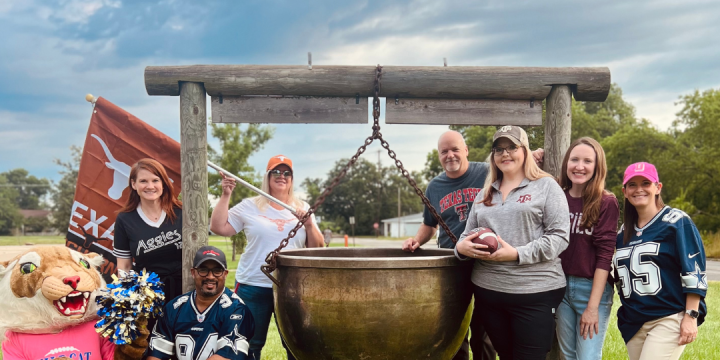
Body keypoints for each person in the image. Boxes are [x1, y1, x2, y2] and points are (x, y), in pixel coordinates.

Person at [401, 130, 543, 360]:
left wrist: (532, 155)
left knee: (484, 327)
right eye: (444, 151)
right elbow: (430, 224)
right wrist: (416, 240)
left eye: (455, 149)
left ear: (466, 150)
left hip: (488, 261)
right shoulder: (434, 187)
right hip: (453, 261)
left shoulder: (488, 171)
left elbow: (514, 164)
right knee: (455, 326)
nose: (450, 155)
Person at [455, 125, 570, 360]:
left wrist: (517, 253)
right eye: (499, 149)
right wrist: (461, 248)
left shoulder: (547, 187)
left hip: (535, 293)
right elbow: (465, 236)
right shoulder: (485, 192)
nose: (505, 154)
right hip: (489, 294)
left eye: (512, 147)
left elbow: (559, 237)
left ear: (525, 151)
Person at [210, 154, 324, 360]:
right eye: (276, 172)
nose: (282, 176)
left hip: (291, 287)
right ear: (268, 176)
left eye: (287, 173)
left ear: (292, 178)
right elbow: (219, 227)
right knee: (248, 342)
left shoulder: (304, 208)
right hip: (252, 285)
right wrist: (226, 195)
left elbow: (317, 247)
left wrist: (308, 223)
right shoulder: (250, 205)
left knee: (296, 343)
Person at [613, 162, 707, 360]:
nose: (639, 189)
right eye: (632, 185)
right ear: (625, 192)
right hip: (634, 321)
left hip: (668, 316)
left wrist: (691, 316)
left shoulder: (677, 222)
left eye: (646, 183)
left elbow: (694, 271)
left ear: (658, 187)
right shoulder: (622, 234)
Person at [555, 137, 619, 360]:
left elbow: (605, 256)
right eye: (574, 159)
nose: (579, 166)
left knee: (587, 357)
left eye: (587, 161)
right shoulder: (557, 196)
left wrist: (592, 307)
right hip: (560, 287)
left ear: (597, 166)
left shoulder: (606, 202)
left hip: (591, 289)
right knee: (568, 355)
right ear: (566, 163)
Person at [112, 158, 184, 333]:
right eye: (143, 181)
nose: (150, 186)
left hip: (185, 291)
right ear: (134, 184)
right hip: (149, 296)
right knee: (152, 347)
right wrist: (126, 299)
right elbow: (125, 265)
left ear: (164, 183)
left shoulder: (182, 212)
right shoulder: (125, 219)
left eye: (155, 180)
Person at [147, 246, 255, 360]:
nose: (210, 276)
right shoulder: (174, 308)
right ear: (193, 273)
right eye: (203, 270)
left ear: (225, 274)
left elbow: (227, 357)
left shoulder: (236, 309)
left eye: (217, 271)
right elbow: (156, 355)